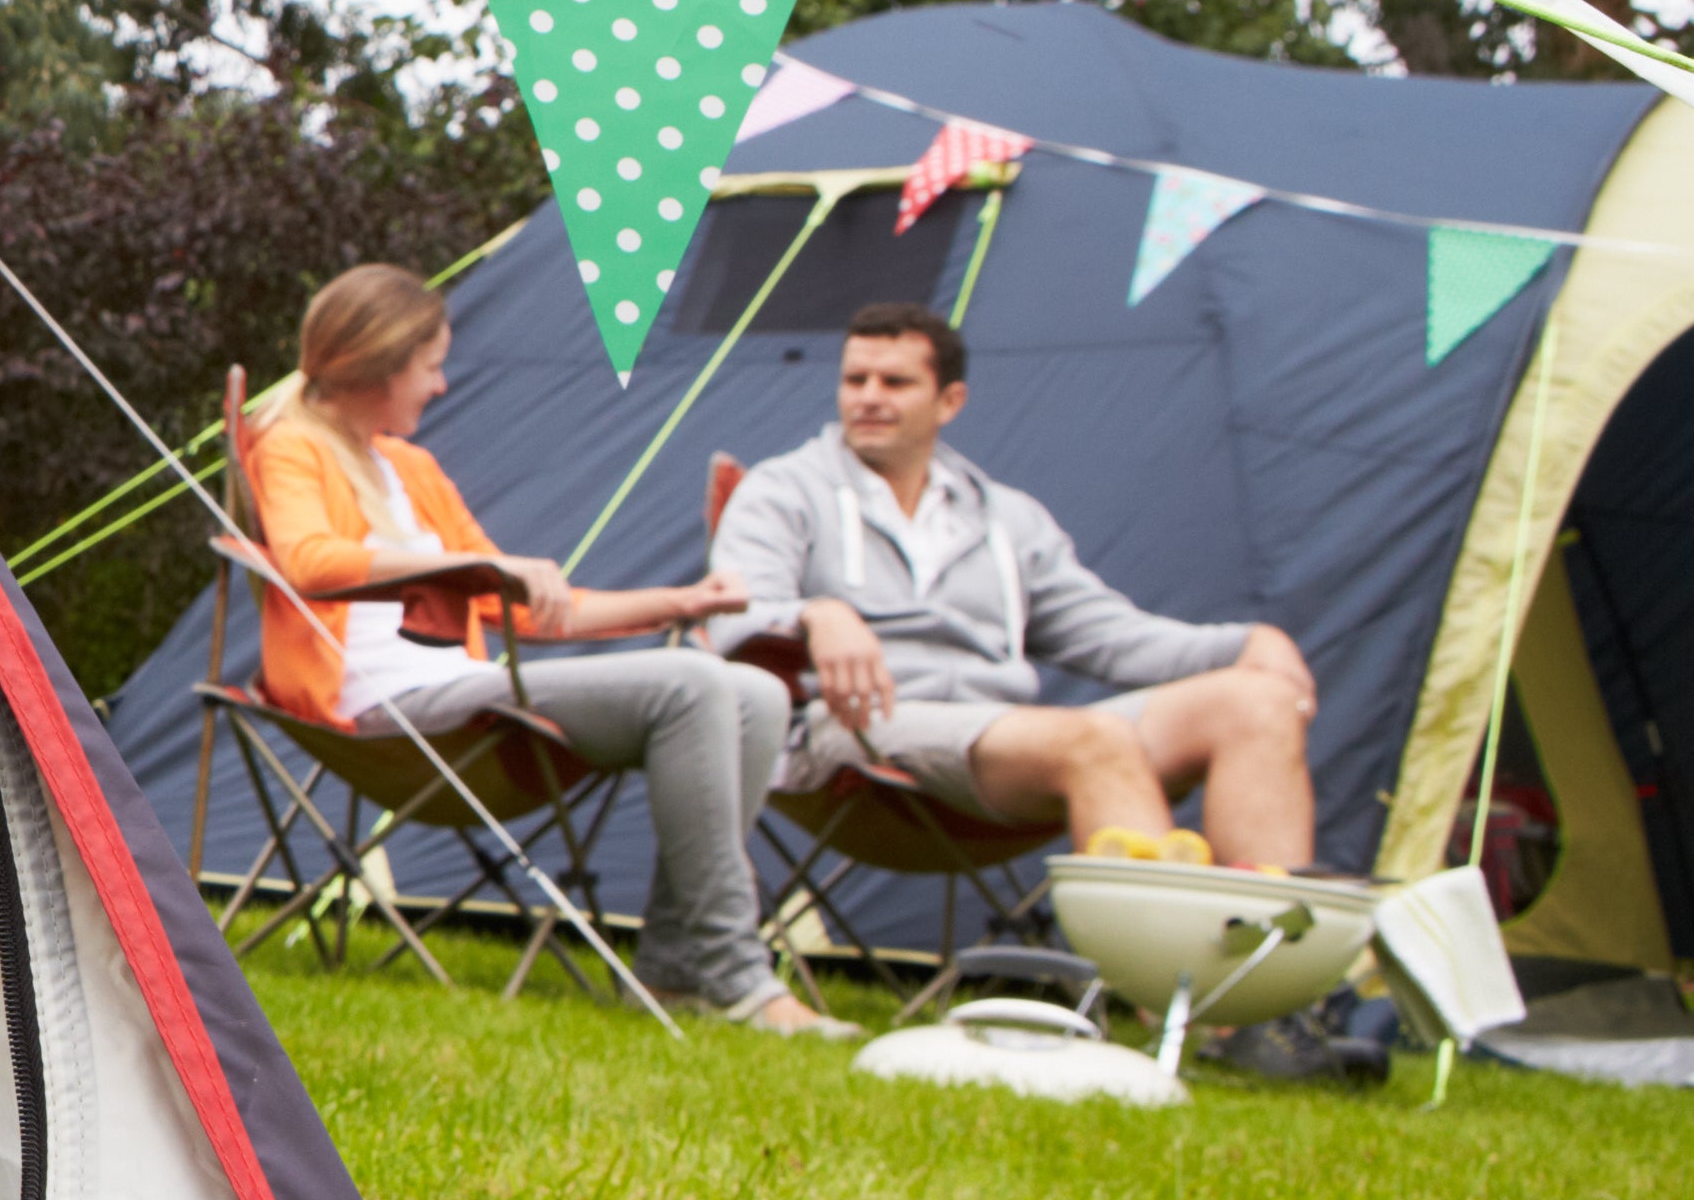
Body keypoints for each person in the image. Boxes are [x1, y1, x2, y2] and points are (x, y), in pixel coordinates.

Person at [243, 265, 835, 1034]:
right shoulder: (292, 445)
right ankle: (736, 972)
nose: (442, 384)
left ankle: (677, 966)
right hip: (385, 712)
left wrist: (682, 602)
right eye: (431, 365)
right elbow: (308, 561)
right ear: (380, 361)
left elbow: (516, 606)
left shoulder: (410, 468)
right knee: (691, 685)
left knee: (753, 690)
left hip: (463, 691)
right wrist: (467, 569)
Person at [712, 304, 1318, 864]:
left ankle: (1269, 963)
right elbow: (731, 614)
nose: (868, 398)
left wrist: (1246, 645)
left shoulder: (1007, 517)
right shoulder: (782, 489)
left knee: (1256, 702)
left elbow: (1110, 636)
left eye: (894, 383)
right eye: (855, 380)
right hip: (855, 738)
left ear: (949, 401)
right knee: (1097, 740)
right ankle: (1166, 973)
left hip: (1003, 743)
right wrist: (815, 615)